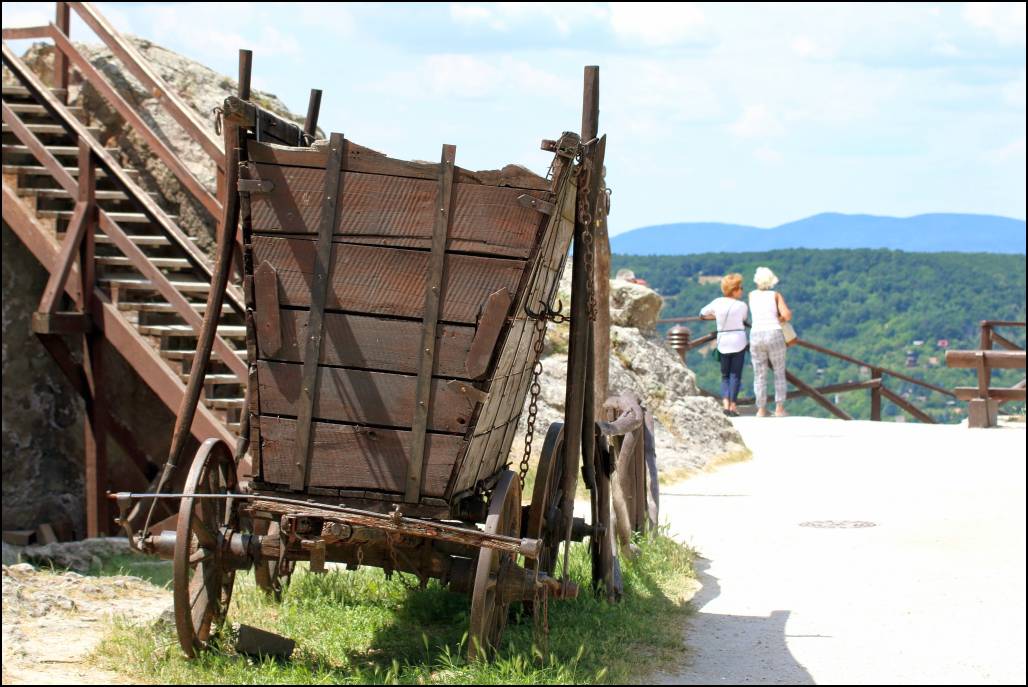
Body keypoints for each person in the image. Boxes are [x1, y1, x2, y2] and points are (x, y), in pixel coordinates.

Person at [700, 273, 749, 417]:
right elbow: (743, 318)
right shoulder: (741, 305)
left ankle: (725, 404)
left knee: (725, 375)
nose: (742, 290)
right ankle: (733, 406)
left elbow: (702, 314)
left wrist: (715, 316)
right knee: (735, 375)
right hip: (738, 340)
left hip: (723, 340)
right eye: (740, 288)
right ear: (734, 290)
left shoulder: (717, 302)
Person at [748, 266, 792, 417]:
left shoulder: (751, 295)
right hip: (774, 333)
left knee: (759, 373)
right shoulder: (775, 295)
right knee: (779, 371)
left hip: (756, 334)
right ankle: (779, 408)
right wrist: (779, 318)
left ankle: (761, 409)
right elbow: (787, 315)